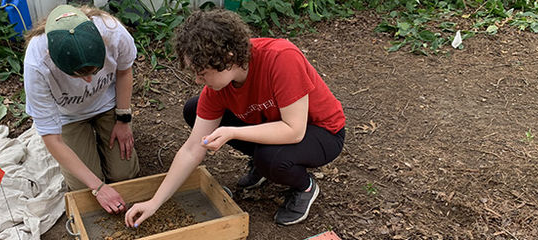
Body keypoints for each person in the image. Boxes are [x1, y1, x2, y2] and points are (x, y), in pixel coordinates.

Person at [125, 9, 345, 227]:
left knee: (270, 158)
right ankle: (264, 166)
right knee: (194, 109)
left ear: (227, 58)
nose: (197, 80)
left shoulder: (280, 58)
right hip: (271, 122)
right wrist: (154, 202)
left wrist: (232, 132)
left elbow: (294, 130)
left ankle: (304, 186)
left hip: (320, 131)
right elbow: (193, 148)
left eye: (201, 73)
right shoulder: (218, 88)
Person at [24, 5, 139, 214]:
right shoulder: (37, 63)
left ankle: (103, 142)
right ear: (53, 57)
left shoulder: (112, 31)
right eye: (76, 75)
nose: (88, 80)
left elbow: (124, 71)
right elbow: (52, 138)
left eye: (94, 71)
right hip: (68, 116)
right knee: (83, 189)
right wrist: (98, 187)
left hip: (107, 105)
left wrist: (123, 119)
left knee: (124, 176)